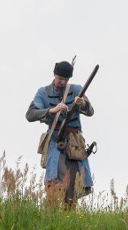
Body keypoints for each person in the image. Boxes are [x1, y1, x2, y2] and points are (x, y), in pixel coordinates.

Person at [26, 61, 94, 207]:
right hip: (54, 140)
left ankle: (69, 215)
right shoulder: (43, 93)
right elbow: (30, 114)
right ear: (54, 75)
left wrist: (81, 104)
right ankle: (52, 213)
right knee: (53, 180)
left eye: (65, 79)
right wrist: (51, 110)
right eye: (60, 78)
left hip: (74, 143)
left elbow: (90, 111)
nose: (62, 82)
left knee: (74, 183)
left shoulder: (76, 90)